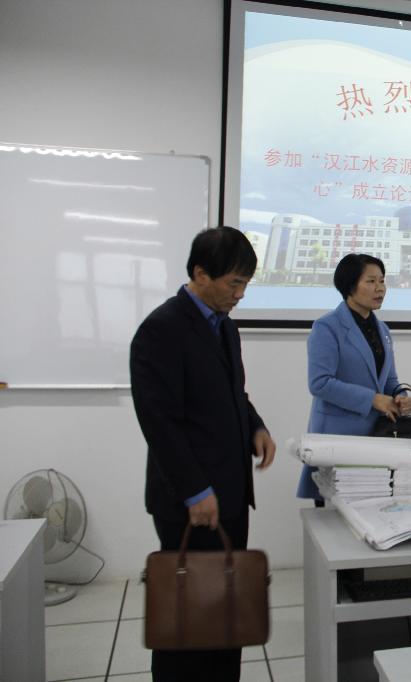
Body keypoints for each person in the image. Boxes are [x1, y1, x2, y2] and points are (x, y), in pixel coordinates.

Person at [130, 226, 276, 682]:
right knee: (188, 617)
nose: (240, 294)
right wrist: (195, 491)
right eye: (234, 283)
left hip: (230, 494)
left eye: (246, 284)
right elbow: (159, 422)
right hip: (190, 502)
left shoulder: (225, 326)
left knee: (226, 611)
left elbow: (234, 393)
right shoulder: (162, 329)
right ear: (200, 274)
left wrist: (256, 427)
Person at [297, 253, 411, 504]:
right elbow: (320, 383)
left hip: (374, 441)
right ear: (350, 286)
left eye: (382, 281)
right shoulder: (327, 327)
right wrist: (373, 399)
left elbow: (390, 381)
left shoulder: (383, 330)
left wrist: (401, 397)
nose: (380, 288)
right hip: (336, 439)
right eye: (371, 281)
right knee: (334, 518)